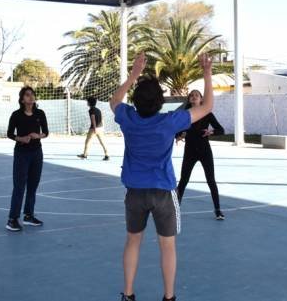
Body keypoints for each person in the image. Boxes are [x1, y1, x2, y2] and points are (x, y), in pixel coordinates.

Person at [111, 52, 214, 301]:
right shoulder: (170, 121)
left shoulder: (127, 117)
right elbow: (207, 106)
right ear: (161, 101)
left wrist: (133, 74)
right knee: (167, 246)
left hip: (135, 191)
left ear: (136, 100)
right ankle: (168, 297)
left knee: (132, 242)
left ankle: (128, 294)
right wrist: (207, 72)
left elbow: (114, 100)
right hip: (163, 192)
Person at [175, 89, 225, 220]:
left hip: (204, 151)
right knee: (183, 180)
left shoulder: (207, 114)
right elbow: (176, 129)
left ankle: (218, 210)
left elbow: (221, 130)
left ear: (201, 99)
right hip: (190, 151)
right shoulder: (184, 114)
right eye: (191, 95)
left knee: (211, 180)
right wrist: (179, 135)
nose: (193, 97)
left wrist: (211, 132)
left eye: (196, 95)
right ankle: (175, 209)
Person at [5, 86, 49, 232]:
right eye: (27, 95)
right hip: (21, 154)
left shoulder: (40, 113)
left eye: (32, 95)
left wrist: (39, 136)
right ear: (22, 99)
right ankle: (12, 219)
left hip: (37, 152)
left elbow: (46, 132)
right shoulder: (16, 115)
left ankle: (28, 216)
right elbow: (10, 134)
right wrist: (21, 138)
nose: (31, 97)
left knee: (33, 185)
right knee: (19, 186)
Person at [77, 96, 110, 161]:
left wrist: (94, 128)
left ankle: (85, 155)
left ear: (89, 103)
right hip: (100, 128)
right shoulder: (98, 110)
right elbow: (102, 118)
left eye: (87, 102)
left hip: (93, 129)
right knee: (102, 142)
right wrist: (102, 126)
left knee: (87, 141)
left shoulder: (91, 110)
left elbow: (93, 118)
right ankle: (107, 155)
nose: (87, 103)